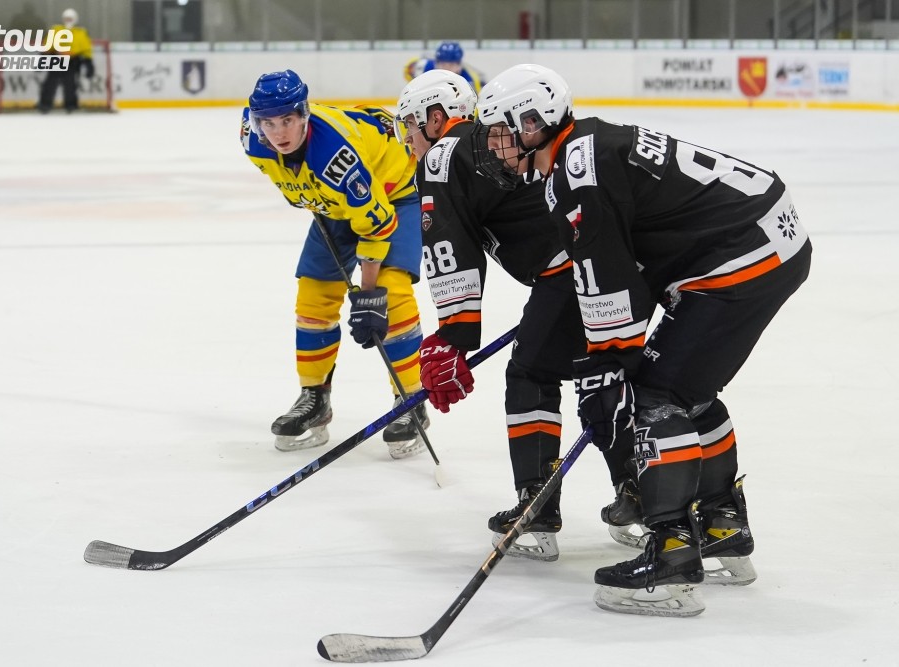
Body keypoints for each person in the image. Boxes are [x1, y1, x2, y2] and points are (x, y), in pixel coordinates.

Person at [472, 64, 811, 616]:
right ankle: (722, 526)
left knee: (656, 394)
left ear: (533, 123)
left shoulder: (575, 174)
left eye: (500, 132)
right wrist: (608, 363)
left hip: (741, 253)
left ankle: (673, 553)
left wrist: (609, 371)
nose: (494, 146)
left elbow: (608, 276)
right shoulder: (583, 151)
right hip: (759, 237)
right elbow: (621, 268)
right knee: (685, 386)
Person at [396, 69, 635, 561]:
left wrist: (453, 336)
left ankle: (538, 508)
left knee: (531, 374)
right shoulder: (492, 142)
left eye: (410, 126)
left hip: (567, 272)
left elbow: (450, 251)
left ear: (435, 118)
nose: (408, 140)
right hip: (600, 266)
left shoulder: (442, 156)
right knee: (603, 376)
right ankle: (643, 496)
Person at [240, 69, 430, 459]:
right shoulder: (252, 141)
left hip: (394, 194)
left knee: (392, 293)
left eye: (287, 120)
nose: (279, 133)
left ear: (304, 114)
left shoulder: (337, 160)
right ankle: (315, 398)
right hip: (336, 204)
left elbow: (376, 223)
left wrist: (368, 294)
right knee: (313, 295)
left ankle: (411, 399)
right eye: (268, 123)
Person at [37, 8, 94, 113]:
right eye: (66, 18)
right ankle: (45, 104)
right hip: (56, 60)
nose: (68, 21)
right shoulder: (56, 30)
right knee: (50, 83)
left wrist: (88, 62)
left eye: (70, 19)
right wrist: (42, 58)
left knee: (70, 84)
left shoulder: (80, 32)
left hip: (72, 62)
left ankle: (71, 104)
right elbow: (47, 45)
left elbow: (86, 49)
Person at [403, 41, 486, 95]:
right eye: (443, 64)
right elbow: (408, 72)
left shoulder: (470, 80)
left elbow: (474, 105)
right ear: (436, 63)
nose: (446, 69)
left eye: (451, 65)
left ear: (459, 65)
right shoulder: (424, 67)